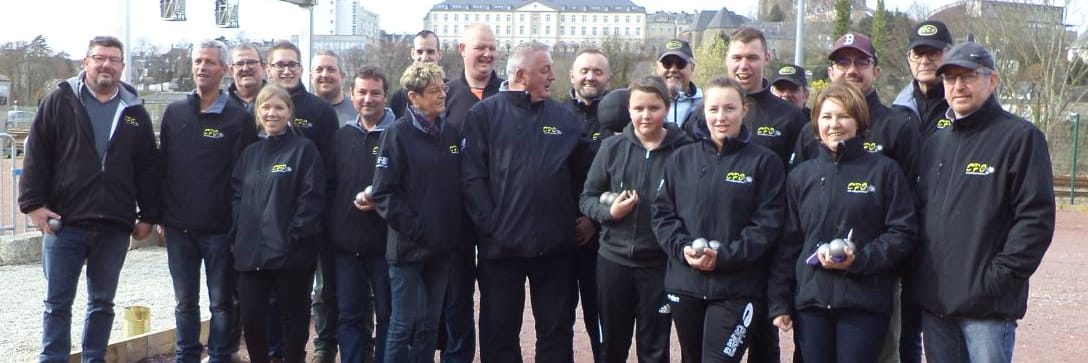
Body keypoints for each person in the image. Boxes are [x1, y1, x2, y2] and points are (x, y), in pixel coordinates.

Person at [21, 35, 161, 363]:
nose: (106, 65)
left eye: (113, 59)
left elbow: (147, 167)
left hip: (113, 224)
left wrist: (148, 215)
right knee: (57, 303)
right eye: (99, 58)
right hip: (64, 221)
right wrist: (33, 205)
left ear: (122, 67)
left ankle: (93, 358)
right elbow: (36, 153)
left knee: (102, 304)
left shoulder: (135, 112)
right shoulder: (60, 100)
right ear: (86, 62)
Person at [914, 41, 1055, 363]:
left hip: (987, 309)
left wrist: (997, 279)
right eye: (950, 78)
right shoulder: (935, 143)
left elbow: (1035, 219)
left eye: (969, 77)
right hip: (937, 304)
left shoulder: (1020, 138)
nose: (958, 86)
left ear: (992, 81)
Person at [461, 41, 592, 362]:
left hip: (556, 249)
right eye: (545, 70)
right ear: (522, 74)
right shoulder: (483, 115)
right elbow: (472, 179)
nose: (553, 77)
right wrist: (492, 227)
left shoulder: (564, 119)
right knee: (499, 332)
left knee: (557, 331)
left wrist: (589, 218)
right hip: (500, 250)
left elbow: (586, 177)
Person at [771, 82, 916, 363]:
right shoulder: (801, 177)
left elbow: (903, 232)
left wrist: (860, 259)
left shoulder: (884, 172)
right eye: (826, 117)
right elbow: (788, 242)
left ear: (859, 121)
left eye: (843, 116)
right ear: (816, 124)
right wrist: (779, 301)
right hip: (811, 303)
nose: (834, 124)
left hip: (864, 302)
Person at [652, 76, 786, 363]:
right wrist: (683, 249)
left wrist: (724, 256)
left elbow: (767, 225)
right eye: (713, 109)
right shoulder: (681, 159)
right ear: (704, 111)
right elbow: (663, 215)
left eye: (729, 108)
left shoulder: (764, 162)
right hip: (685, 284)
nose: (721, 117)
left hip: (737, 289)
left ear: (744, 109)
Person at [159, 39, 258, 363]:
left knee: (221, 302)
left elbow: (244, 178)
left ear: (224, 69)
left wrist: (237, 228)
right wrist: (160, 214)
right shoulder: (174, 113)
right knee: (184, 302)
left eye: (210, 62)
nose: (203, 67)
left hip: (219, 230)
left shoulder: (238, 118)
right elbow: (163, 167)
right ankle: (186, 356)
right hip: (178, 228)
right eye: (198, 61)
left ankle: (219, 355)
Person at [580, 75, 690, 363]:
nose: (645, 115)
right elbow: (587, 198)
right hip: (613, 263)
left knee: (654, 349)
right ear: (628, 110)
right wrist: (609, 213)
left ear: (665, 108)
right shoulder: (611, 149)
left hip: (659, 266)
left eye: (653, 108)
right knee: (611, 347)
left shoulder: (685, 150)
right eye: (638, 108)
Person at [372, 61, 463, 363]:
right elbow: (383, 193)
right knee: (403, 325)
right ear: (413, 97)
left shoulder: (450, 133)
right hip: (408, 249)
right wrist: (417, 228)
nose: (442, 95)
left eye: (443, 89)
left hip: (442, 249)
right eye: (434, 91)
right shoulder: (396, 135)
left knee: (428, 325)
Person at [232, 84, 326, 363]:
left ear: (289, 113)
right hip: (252, 253)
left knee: (293, 321)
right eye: (266, 107)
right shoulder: (249, 154)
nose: (272, 113)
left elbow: (312, 196)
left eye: (278, 107)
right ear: (257, 113)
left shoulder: (304, 150)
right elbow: (237, 195)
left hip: (291, 253)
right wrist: (236, 233)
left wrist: (295, 234)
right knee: (251, 318)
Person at [265, 40, 340, 363]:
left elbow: (331, 167)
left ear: (300, 69)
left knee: (320, 290)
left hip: (313, 220)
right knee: (270, 294)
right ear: (269, 69)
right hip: (269, 220)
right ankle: (274, 350)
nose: (286, 70)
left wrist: (317, 216)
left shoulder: (320, 112)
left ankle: (321, 345)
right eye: (279, 65)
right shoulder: (260, 107)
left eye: (292, 64)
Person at [437, 23, 502, 363]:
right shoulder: (444, 96)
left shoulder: (509, 93)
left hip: (498, 215)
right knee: (456, 294)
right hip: (455, 216)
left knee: (497, 295)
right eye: (480, 47)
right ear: (462, 48)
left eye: (492, 48)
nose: (487, 54)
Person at [328, 65, 395, 363]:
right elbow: (330, 187)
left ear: (385, 96)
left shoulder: (398, 136)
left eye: (375, 93)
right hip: (346, 247)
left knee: (388, 316)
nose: (368, 99)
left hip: (386, 246)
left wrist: (380, 203)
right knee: (349, 316)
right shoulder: (342, 137)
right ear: (352, 96)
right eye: (362, 92)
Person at [794, 32, 920, 179]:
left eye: (862, 62)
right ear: (831, 72)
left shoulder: (898, 128)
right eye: (843, 63)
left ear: (876, 72)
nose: (852, 71)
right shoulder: (811, 131)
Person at [563, 47, 612, 363]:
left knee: (603, 322)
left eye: (597, 71)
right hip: (561, 237)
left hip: (603, 237)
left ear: (609, 77)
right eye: (584, 70)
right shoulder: (554, 115)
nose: (590, 77)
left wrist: (594, 219)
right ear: (572, 76)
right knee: (558, 322)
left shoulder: (621, 118)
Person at [893, 20, 954, 137]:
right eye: (918, 54)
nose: (925, 61)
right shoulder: (896, 111)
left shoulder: (962, 107)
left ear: (950, 54)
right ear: (909, 58)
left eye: (933, 53)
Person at [389, 30, 445, 119]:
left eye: (430, 52)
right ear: (413, 54)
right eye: (419, 52)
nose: (424, 58)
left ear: (440, 53)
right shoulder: (398, 98)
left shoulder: (452, 92)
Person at [655, 39, 702, 128]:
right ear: (657, 68)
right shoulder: (645, 104)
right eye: (667, 63)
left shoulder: (706, 104)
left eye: (680, 63)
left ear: (692, 68)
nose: (673, 69)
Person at [311, 50, 356, 125]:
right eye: (319, 70)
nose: (325, 75)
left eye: (331, 70)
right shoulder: (299, 110)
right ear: (311, 77)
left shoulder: (358, 111)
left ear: (342, 76)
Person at [227, 43, 266, 111]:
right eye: (240, 64)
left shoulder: (278, 100)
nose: (245, 68)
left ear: (263, 66)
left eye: (251, 62)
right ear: (232, 70)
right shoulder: (221, 105)